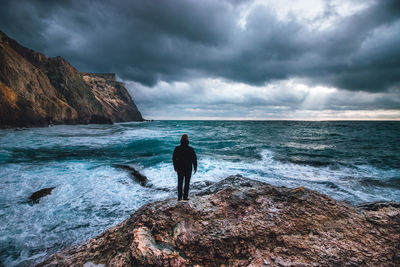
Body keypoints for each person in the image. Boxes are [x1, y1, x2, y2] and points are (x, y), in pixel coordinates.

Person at [172, 134, 197, 201]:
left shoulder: (177, 148)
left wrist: (175, 166)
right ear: (187, 140)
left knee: (180, 183)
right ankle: (185, 197)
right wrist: (195, 168)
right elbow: (194, 159)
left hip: (180, 168)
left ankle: (179, 198)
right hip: (188, 168)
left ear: (181, 140)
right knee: (187, 183)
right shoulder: (191, 149)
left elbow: (174, 158)